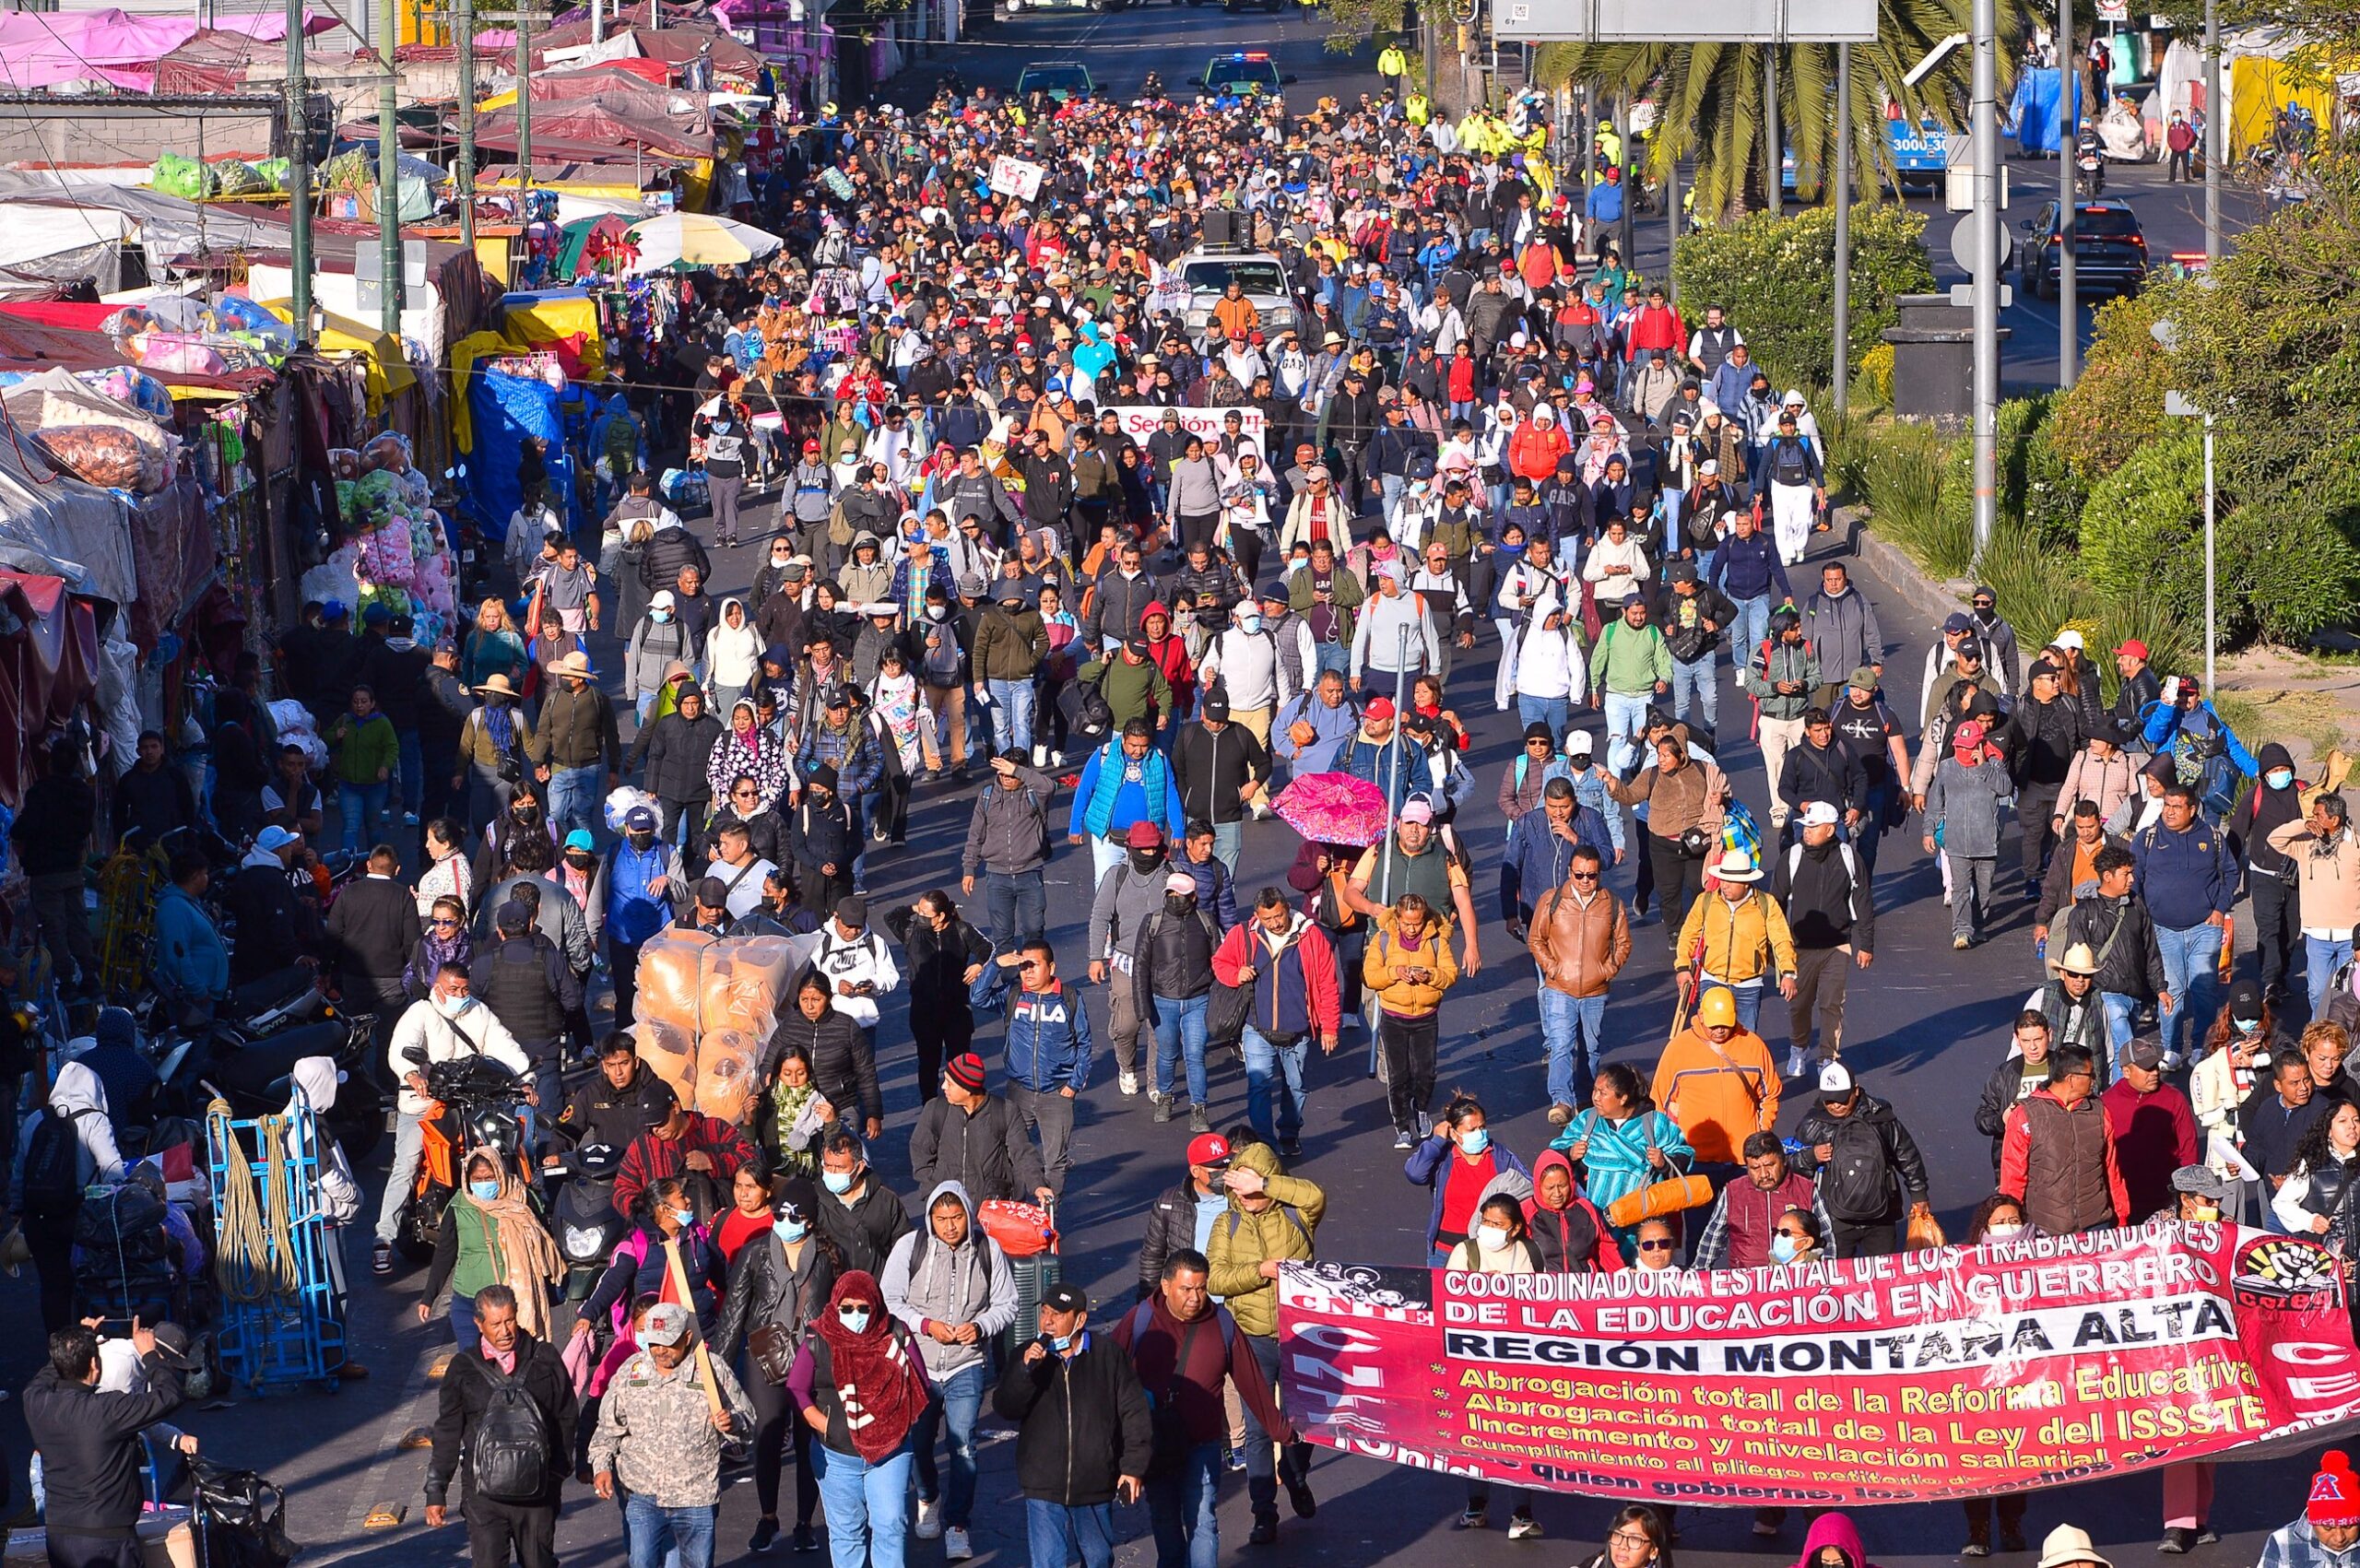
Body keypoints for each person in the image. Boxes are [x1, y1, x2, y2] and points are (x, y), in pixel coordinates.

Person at [1115, 1246, 1294, 1568]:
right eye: (1186, 1289)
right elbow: (1107, 1373)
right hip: (1154, 1444)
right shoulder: (1139, 1319)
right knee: (1165, 1522)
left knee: (1203, 1521)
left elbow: (1251, 1382)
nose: (1195, 1298)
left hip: (1203, 1444)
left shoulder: (1223, 1324)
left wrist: (1282, 1430)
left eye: (1201, 1288)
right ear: (1166, 1286)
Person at [883, 1183, 1018, 1562]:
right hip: (919, 1365)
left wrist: (980, 1327)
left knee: (963, 1445)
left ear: (968, 1215)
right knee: (919, 1444)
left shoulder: (989, 1250)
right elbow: (889, 1299)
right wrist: (925, 1326)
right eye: (941, 1220)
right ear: (930, 1219)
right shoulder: (911, 1247)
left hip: (967, 1364)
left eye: (956, 1217)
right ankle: (928, 1497)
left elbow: (1008, 1304)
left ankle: (958, 1524)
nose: (949, 1226)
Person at [375, 965, 531, 1276]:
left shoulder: (479, 1012)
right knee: (406, 1163)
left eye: (465, 989)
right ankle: (383, 1238)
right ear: (438, 986)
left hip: (473, 1101)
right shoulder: (420, 1012)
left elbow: (504, 1044)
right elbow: (401, 1048)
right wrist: (411, 1074)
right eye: (454, 989)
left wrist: (524, 1077)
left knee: (511, 1147)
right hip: (424, 1104)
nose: (461, 995)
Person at [1204, 1139, 1323, 1544]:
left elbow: (1316, 1195)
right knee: (1257, 1429)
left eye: (1252, 1188)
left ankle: (1294, 1472)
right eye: (1240, 1188)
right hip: (1252, 1338)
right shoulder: (1226, 1223)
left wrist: (1268, 1183)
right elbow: (1216, 1278)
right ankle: (1264, 1513)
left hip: (1300, 1333)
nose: (1246, 1196)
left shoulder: (1295, 1212)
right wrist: (1260, 1271)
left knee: (1303, 1422)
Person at [587, 1300, 755, 1568]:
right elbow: (607, 1428)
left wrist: (732, 1423)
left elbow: (748, 1423)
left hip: (695, 1497)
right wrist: (601, 1466)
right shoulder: (632, 1372)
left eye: (668, 1342)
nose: (659, 1351)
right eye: (653, 1342)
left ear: (687, 1337)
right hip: (642, 1495)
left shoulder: (711, 1371)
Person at [423, 1283, 577, 1568]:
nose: (505, 1331)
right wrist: (436, 1489)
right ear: (478, 1323)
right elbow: (448, 1431)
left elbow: (566, 1416)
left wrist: (557, 1472)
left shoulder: (545, 1358)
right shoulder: (463, 1368)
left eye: (509, 1320)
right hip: (483, 1495)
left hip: (537, 1494)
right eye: (495, 1324)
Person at [789, 1271, 933, 1568]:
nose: (855, 1315)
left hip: (890, 1452)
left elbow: (921, 1384)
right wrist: (824, 1425)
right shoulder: (819, 1337)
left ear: (876, 1305)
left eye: (863, 1308)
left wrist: (896, 1422)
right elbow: (797, 1389)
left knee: (891, 1524)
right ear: (835, 1305)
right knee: (846, 1534)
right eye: (847, 1308)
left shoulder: (896, 1333)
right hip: (836, 1457)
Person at [24, 1321, 186, 1568]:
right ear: (94, 1365)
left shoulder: (36, 1402)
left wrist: (78, 1341)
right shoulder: (109, 1409)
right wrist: (150, 1355)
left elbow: (47, 1375)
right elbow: (169, 1396)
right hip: (109, 1536)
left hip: (59, 1535)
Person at [1212, 889, 1340, 1159]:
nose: (1276, 923)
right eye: (1268, 918)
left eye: (1279, 915)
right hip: (1256, 1028)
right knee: (1259, 1086)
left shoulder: (1311, 936)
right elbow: (1220, 963)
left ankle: (1289, 1134)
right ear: (1257, 915)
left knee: (1296, 1087)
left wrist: (1330, 1026)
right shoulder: (1242, 935)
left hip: (1298, 1031)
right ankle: (1264, 1144)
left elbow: (1327, 983)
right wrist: (1237, 974)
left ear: (1287, 908)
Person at [973, 940, 1094, 1196]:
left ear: (1051, 967)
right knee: (1011, 1155)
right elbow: (978, 997)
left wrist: (1074, 1084)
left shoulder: (1069, 998)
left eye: (1034, 965)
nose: (1027, 971)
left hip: (1057, 1096)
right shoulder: (1014, 994)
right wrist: (995, 965)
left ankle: (1048, 1222)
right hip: (1019, 1093)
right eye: (1023, 966)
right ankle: (1016, 1217)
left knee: (1055, 1163)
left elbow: (1084, 1042)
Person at [419, 1149, 564, 1352]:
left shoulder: (521, 1198)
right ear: (468, 1179)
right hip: (468, 1301)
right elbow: (445, 1252)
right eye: (477, 1179)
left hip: (511, 1304)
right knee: (473, 1365)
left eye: (489, 1177)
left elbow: (544, 1243)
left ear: (500, 1173)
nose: (483, 1184)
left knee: (514, 1364)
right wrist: (428, 1297)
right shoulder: (459, 1206)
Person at [1528, 844, 1633, 1120]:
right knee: (1561, 1044)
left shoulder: (1612, 904)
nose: (1585, 881)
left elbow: (1623, 944)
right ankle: (1562, 1101)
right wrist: (1553, 969)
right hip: (1559, 988)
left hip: (1595, 991)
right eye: (1579, 875)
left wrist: (1606, 971)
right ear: (1569, 873)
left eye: (1592, 876)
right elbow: (1536, 939)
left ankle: (1587, 1100)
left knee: (1591, 1047)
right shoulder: (1552, 900)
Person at [1788, 1062, 1931, 1257]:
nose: (1836, 1105)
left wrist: (1919, 1194)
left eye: (1841, 1099)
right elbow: (1790, 1168)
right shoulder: (1812, 1124)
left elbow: (1906, 1155)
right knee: (1837, 1279)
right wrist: (1811, 1156)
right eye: (1829, 1101)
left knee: (1883, 1274)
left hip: (1882, 1216)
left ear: (1855, 1090)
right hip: (1834, 1219)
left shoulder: (1881, 1117)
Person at [1773, 803, 1875, 1076]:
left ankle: (1828, 1057)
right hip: (1799, 947)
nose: (1807, 831)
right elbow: (1775, 906)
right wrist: (1774, 946)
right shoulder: (1791, 858)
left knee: (1832, 1003)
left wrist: (1866, 944)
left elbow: (1863, 900)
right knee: (1800, 1004)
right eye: (1805, 826)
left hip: (1837, 946)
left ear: (1830, 830)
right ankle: (1799, 1048)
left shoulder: (1849, 858)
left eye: (1813, 826)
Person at [1650, 984, 1780, 1185]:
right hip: (1695, 1160)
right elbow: (1660, 1102)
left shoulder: (1754, 1046)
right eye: (1714, 1025)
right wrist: (1672, 1147)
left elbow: (1770, 1095)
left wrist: (1760, 1132)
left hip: (1743, 1160)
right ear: (1701, 1016)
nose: (1720, 1030)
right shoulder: (1678, 1049)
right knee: (1699, 1217)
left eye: (1725, 1024)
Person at [2000, 1044, 2130, 1234]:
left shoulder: (2099, 1112)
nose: (2094, 1080)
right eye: (2090, 1074)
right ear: (2071, 1079)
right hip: (2044, 1230)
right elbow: (2013, 1176)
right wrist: (2012, 1227)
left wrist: (2122, 1216)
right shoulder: (2025, 1115)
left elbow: (2112, 1170)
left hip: (2096, 1224)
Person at [1365, 890, 1461, 1149]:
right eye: (1406, 923)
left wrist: (1429, 976)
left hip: (1426, 1017)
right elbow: (1370, 976)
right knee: (1399, 1075)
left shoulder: (1437, 941)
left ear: (1425, 918)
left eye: (1416, 923)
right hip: (1393, 1016)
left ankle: (1420, 1110)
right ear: (1397, 918)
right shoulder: (1383, 939)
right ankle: (1402, 1127)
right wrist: (1395, 972)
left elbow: (1451, 974)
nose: (1411, 928)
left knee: (1425, 1073)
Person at [1133, 870, 1223, 1132]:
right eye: (1170, 894)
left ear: (1193, 896)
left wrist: (1219, 1000)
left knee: (1195, 1055)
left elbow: (1218, 961)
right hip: (1163, 1001)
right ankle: (1165, 1095)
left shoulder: (1206, 922)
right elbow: (1141, 965)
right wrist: (1142, 1005)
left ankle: (1199, 1107)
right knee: (1167, 1054)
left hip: (1198, 1000)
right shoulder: (1154, 922)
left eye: (1180, 895)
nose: (1175, 899)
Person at [885, 891, 991, 1105]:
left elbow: (988, 948)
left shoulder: (962, 930)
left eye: (926, 913)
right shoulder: (911, 931)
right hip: (923, 1011)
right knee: (928, 1062)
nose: (921, 916)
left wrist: (979, 965)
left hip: (957, 1010)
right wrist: (916, 909)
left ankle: (959, 1104)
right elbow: (891, 917)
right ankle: (930, 1104)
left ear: (941, 916)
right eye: (920, 911)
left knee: (959, 1062)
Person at [908, 1053, 1053, 1208]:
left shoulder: (1005, 1111)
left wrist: (1038, 1184)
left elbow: (1023, 1153)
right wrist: (932, 1190)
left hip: (991, 1207)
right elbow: (920, 1151)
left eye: (950, 1083)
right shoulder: (935, 1109)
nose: (943, 1087)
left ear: (968, 1089)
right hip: (948, 1207)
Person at [1924, 717, 2013, 949]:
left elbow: (2005, 788)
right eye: (1960, 747)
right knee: (1960, 889)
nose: (1964, 751)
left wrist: (1983, 766)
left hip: (1986, 841)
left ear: (1980, 744)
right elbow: (1935, 801)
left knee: (1984, 889)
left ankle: (1979, 926)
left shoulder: (1995, 763)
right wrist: (1928, 830)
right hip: (1956, 842)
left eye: (1969, 746)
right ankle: (1962, 931)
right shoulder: (1947, 767)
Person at [2269, 792, 2360, 1017]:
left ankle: (2344, 1040)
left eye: (2318, 815)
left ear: (2335, 819)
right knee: (2317, 992)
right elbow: (2275, 839)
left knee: (2348, 992)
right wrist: (2303, 824)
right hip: (2316, 934)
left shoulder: (2355, 846)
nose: (2314, 819)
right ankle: (2317, 1036)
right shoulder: (2305, 844)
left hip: (2349, 935)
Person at [1693, 1131, 1835, 1269]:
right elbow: (1713, 1238)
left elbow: (1826, 1237)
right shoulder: (1733, 1192)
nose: (1764, 1174)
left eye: (1770, 1165)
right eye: (1755, 1168)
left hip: (1796, 1279)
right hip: (1747, 1281)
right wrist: (1698, 1274)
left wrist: (1829, 1274)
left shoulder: (1806, 1189)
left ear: (1784, 1161)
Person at [962, 751, 1057, 950]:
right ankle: (1009, 981)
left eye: (1011, 774)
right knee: (1002, 935)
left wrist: (1017, 770)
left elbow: (1048, 786)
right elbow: (975, 834)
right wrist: (969, 869)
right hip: (997, 876)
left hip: (1030, 873)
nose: (1006, 778)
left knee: (1034, 930)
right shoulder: (987, 795)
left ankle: (1029, 979)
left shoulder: (1035, 793)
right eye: (1002, 773)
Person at [613, 1089, 755, 1222]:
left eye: (660, 1122)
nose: (656, 1130)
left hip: (718, 1225)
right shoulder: (641, 1145)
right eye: (650, 1125)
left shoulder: (714, 1129)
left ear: (675, 1107)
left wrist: (713, 1162)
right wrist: (647, 1213)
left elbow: (751, 1159)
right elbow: (622, 1188)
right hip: (663, 1236)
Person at [2105, 1037, 2201, 1221]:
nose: (2155, 1073)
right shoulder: (2106, 1103)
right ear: (2126, 1071)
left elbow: (2189, 1148)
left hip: (2166, 1200)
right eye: (2147, 1068)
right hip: (2122, 1202)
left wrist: (2187, 1192)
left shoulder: (2174, 1099)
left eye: (2156, 1066)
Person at [813, 1131, 913, 1279]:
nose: (832, 1173)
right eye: (827, 1166)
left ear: (859, 1167)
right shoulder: (814, 1199)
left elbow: (904, 1245)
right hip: (832, 1293)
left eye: (840, 1168)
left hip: (876, 1288)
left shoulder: (885, 1200)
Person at [2259, 1452, 2360, 1568]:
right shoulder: (2282, 1542)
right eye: (2328, 1528)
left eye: (2348, 1526)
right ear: (2312, 1521)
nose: (2339, 1537)